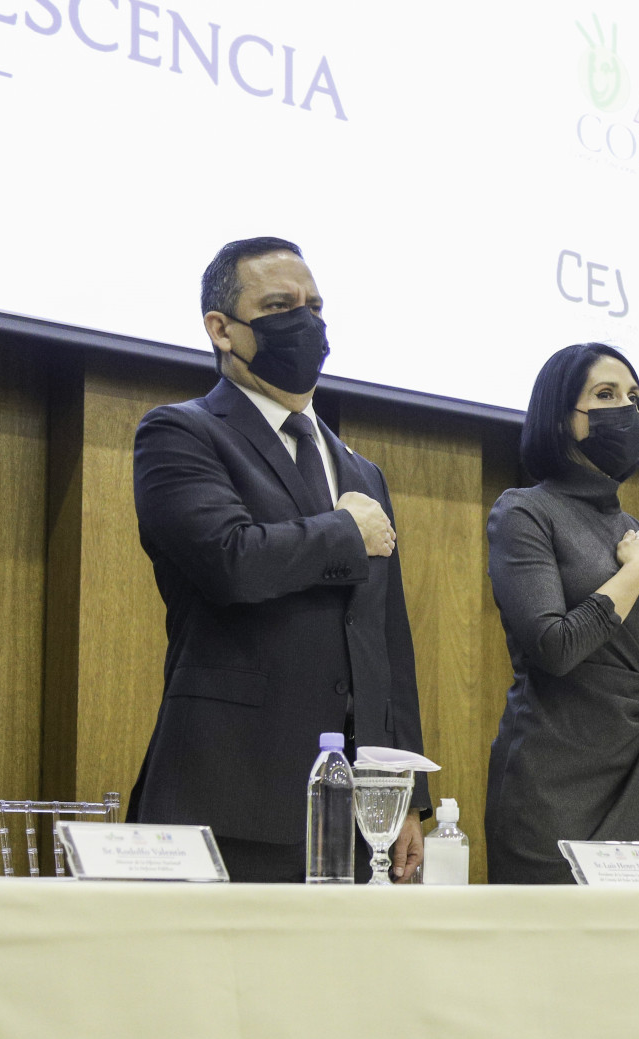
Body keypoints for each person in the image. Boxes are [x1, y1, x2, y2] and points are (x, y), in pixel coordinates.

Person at [131, 236, 426, 883]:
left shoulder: (362, 473)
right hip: (228, 792)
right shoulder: (181, 433)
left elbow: (386, 643)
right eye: (279, 306)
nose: (305, 322)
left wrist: (406, 792)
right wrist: (344, 532)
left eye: (313, 307)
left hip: (359, 813)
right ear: (221, 329)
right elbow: (230, 561)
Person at [484, 343, 639, 883]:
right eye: (605, 395)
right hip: (551, 783)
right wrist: (631, 577)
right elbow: (553, 648)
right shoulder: (524, 512)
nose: (626, 409)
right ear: (560, 417)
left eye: (633, 398)